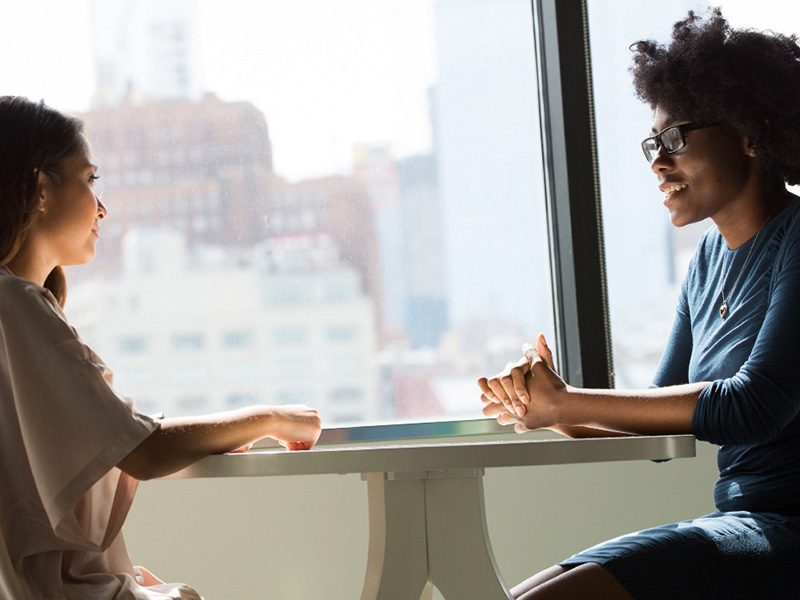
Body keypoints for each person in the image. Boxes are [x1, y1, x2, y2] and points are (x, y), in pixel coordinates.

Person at [478, 9, 800, 600]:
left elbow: (758, 404)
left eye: (675, 137)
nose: (657, 160)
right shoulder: (706, 263)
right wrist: (547, 407)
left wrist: (569, 402)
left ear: (750, 133)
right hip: (743, 523)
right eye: (652, 141)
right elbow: (654, 429)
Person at [0, 95, 322, 599]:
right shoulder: (13, 307)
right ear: (41, 187)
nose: (101, 208)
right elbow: (141, 450)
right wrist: (271, 418)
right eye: (89, 180)